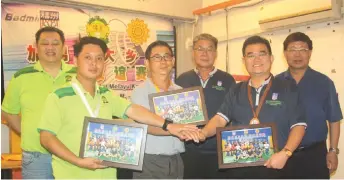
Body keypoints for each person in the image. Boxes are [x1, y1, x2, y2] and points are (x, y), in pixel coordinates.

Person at [38, 36, 198, 179]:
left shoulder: (106, 94)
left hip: (106, 174)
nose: (94, 63)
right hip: (72, 174)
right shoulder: (58, 96)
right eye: (88, 57)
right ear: (75, 60)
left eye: (99, 58)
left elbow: (134, 110)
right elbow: (46, 138)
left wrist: (168, 125)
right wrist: (79, 161)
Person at [198, 35, 307, 179]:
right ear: (244, 61)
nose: (257, 60)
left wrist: (286, 152)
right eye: (251, 55)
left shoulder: (288, 88)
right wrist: (203, 133)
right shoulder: (236, 89)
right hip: (239, 168)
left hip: (276, 165)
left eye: (262, 54)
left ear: (271, 58)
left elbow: (299, 125)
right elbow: (220, 119)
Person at [1, 27, 76, 179]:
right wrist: (29, 131)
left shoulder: (78, 75)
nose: (50, 47)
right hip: (36, 158)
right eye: (44, 43)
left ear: (63, 47)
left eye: (55, 43)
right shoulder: (21, 77)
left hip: (72, 154)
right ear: (36, 47)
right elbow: (8, 111)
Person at [276, 32, 342, 178]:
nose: (297, 54)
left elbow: (334, 119)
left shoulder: (324, 83)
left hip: (315, 155)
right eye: (293, 49)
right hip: (282, 155)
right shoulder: (275, 84)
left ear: (310, 53)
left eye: (303, 50)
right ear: (285, 53)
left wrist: (333, 150)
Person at [176, 33, 236, 178]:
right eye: (200, 49)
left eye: (209, 49)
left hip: (219, 151)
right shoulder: (182, 80)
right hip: (188, 150)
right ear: (193, 53)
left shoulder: (228, 80)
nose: (204, 53)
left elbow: (232, 114)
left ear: (215, 53)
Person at [130, 40, 184, 179]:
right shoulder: (140, 91)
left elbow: (188, 120)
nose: (163, 61)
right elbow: (144, 126)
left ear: (173, 61)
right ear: (147, 63)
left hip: (176, 160)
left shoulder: (181, 92)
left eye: (167, 56)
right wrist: (176, 129)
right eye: (157, 57)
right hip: (150, 161)